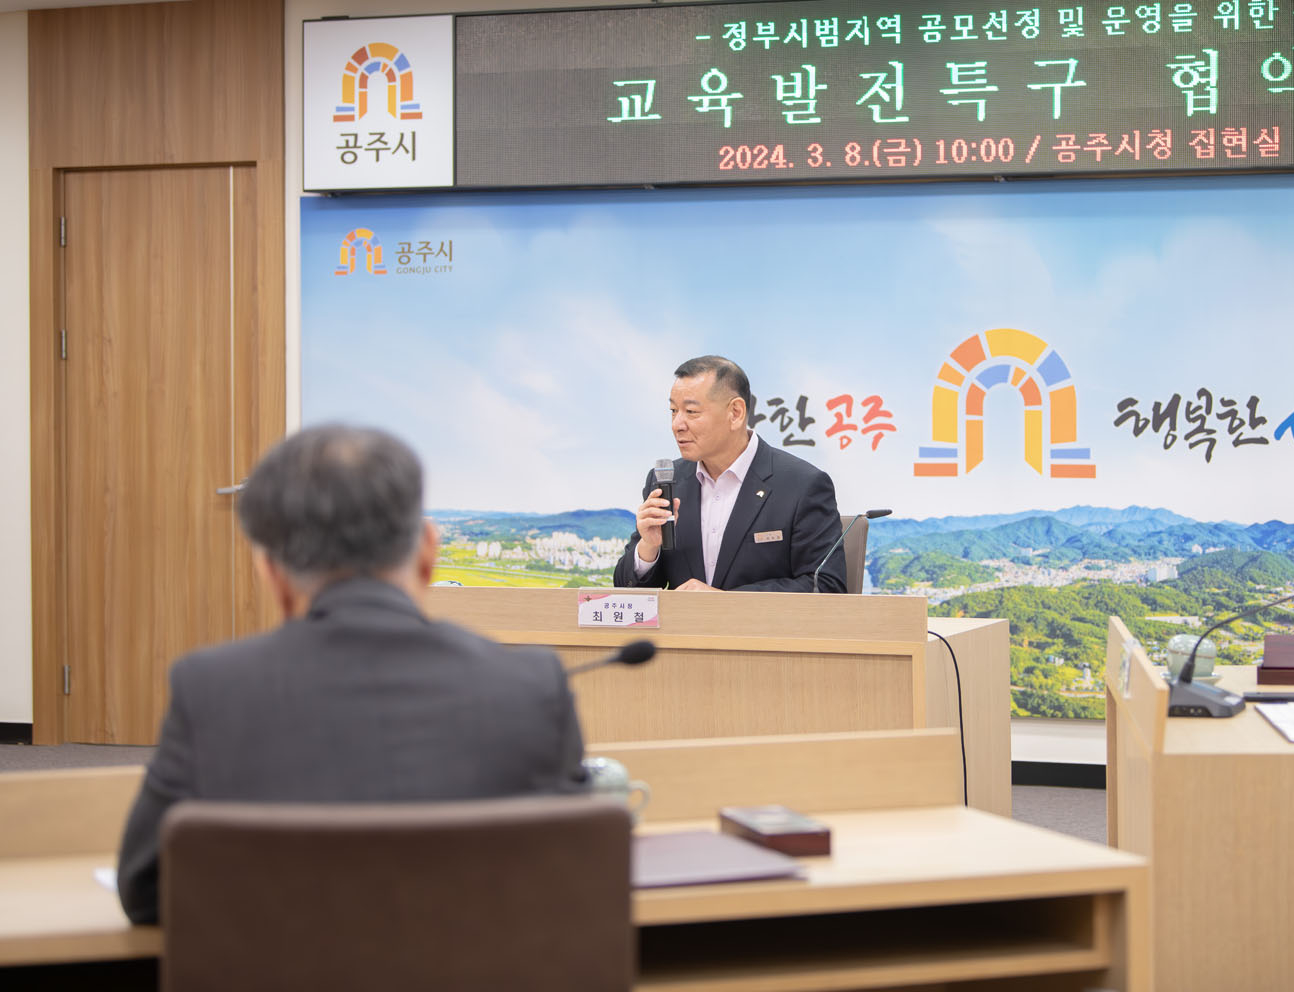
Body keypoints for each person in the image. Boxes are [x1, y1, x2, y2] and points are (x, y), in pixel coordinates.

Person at [116, 425, 586, 925]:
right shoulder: (532, 685)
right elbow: (581, 870)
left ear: (271, 573)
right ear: (428, 551)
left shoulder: (211, 689)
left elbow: (144, 890)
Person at [613, 355, 846, 593]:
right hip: (681, 620)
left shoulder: (802, 484)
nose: (677, 424)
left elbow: (825, 586)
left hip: (759, 620)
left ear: (735, 413)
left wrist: (725, 603)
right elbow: (626, 592)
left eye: (691, 411)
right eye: (673, 410)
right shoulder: (666, 481)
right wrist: (648, 547)